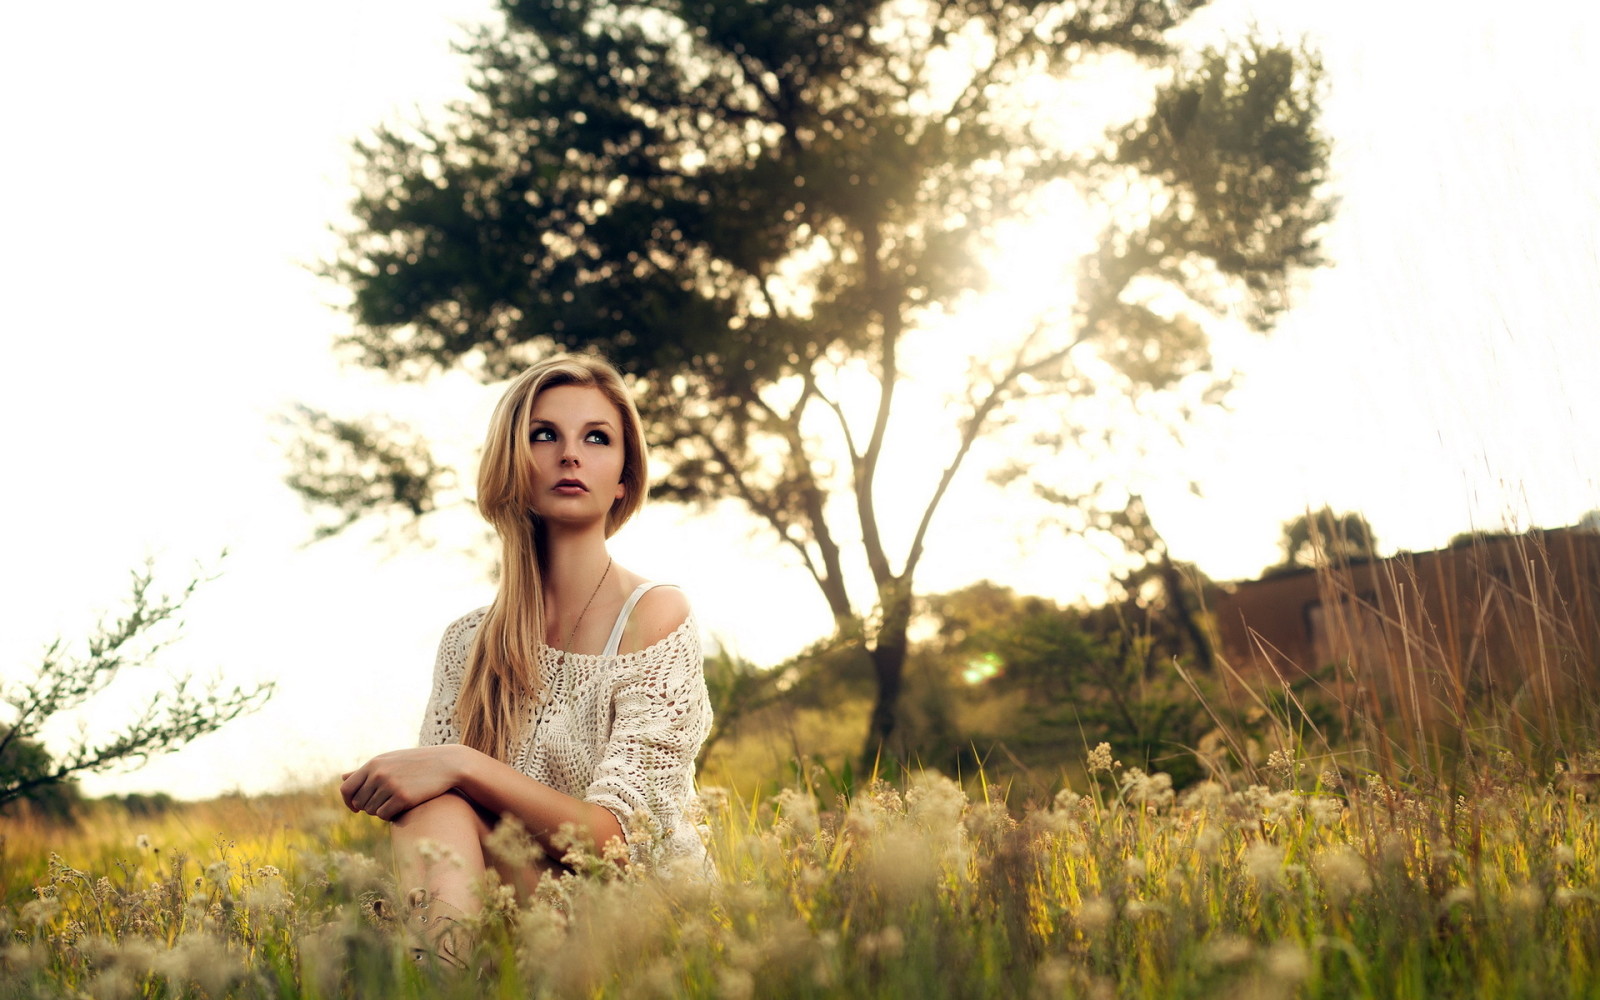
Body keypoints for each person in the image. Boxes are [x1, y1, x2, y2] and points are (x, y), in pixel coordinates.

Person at [338, 352, 713, 961]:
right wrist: (440, 776)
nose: (570, 454)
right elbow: (441, 815)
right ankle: (449, 981)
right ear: (511, 465)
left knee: (445, 783)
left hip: (649, 919)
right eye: (544, 435)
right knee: (433, 804)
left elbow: (619, 842)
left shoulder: (655, 615)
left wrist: (460, 763)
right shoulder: (467, 643)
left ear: (623, 477)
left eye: (597, 438)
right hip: (522, 914)